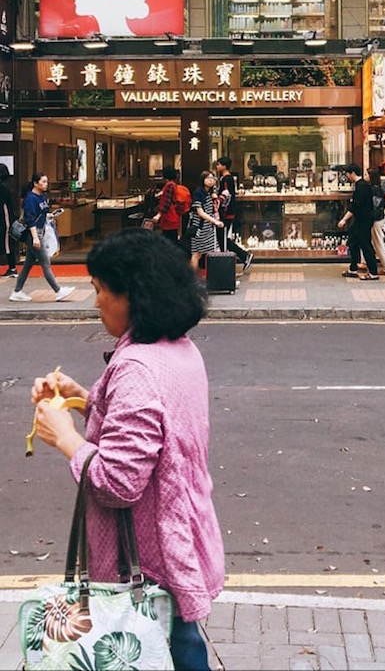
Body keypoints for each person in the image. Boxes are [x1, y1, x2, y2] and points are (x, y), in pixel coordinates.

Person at [29, 228, 224, 670]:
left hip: (147, 570)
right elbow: (150, 431)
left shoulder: (137, 367)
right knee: (185, 647)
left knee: (166, 652)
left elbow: (117, 482)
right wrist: (82, 397)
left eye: (101, 290)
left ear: (133, 296)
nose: (96, 302)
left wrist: (65, 438)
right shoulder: (177, 349)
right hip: (180, 543)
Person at [9, 173, 74, 303]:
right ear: (35, 183)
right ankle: (58, 290)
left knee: (28, 264)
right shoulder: (31, 199)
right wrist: (35, 238)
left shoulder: (42, 197)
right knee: (45, 262)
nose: (46, 184)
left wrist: (50, 216)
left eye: (46, 182)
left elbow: (41, 214)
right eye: (43, 181)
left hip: (40, 231)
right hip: (34, 233)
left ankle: (17, 291)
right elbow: (30, 220)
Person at [337, 163, 379, 280]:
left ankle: (373, 272)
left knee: (365, 245)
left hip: (363, 220)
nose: (347, 176)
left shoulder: (361, 187)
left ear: (352, 173)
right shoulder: (362, 185)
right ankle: (353, 269)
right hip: (361, 220)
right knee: (353, 243)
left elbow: (355, 206)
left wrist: (344, 219)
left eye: (347, 174)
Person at [216, 157, 253, 272]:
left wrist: (222, 208)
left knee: (222, 238)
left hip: (225, 213)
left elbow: (226, 195)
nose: (217, 167)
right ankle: (238, 258)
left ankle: (241, 256)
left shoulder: (226, 179)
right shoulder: (227, 178)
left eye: (218, 164)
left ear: (224, 166)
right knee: (222, 238)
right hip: (226, 212)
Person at [190, 170, 224, 272]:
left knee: (198, 254)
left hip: (207, 228)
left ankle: (191, 278)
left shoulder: (209, 193)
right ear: (202, 179)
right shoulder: (198, 193)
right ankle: (220, 276)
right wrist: (215, 221)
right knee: (200, 254)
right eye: (208, 178)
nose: (211, 180)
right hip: (200, 229)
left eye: (212, 178)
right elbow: (200, 212)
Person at [368, 167, 385, 275]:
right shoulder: (379, 189)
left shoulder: (373, 190)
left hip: (375, 219)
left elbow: (373, 205)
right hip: (379, 217)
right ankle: (364, 262)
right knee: (371, 241)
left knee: (378, 242)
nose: (365, 177)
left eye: (367, 175)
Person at [152, 164, 181, 241]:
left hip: (169, 217)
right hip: (173, 217)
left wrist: (159, 215)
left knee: (169, 240)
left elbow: (167, 202)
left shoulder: (169, 186)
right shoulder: (173, 185)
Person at [0, 162, 17, 277]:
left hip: (5, 219)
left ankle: (12, 268)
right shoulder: (8, 185)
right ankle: (12, 267)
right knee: (8, 242)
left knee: (7, 243)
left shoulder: (3, 187)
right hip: (7, 218)